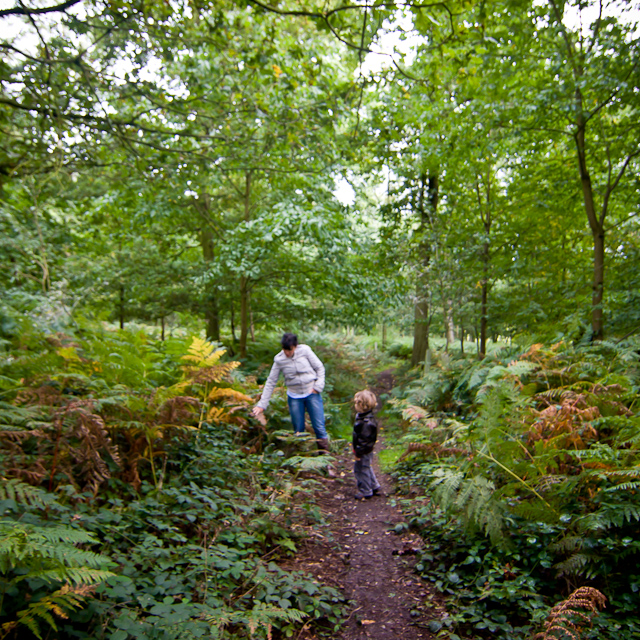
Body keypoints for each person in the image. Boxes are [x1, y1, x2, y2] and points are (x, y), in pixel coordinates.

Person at [251, 333, 330, 451]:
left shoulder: (305, 351)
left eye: (290, 350)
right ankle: (301, 459)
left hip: (311, 392)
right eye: (285, 350)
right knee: (298, 429)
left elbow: (320, 368)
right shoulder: (279, 360)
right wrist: (262, 404)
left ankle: (325, 458)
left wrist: (318, 387)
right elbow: (271, 381)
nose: (287, 353)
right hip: (294, 396)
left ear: (295, 346)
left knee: (319, 427)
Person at [352, 390, 381, 500]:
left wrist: (358, 453)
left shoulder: (366, 422)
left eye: (356, 403)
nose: (355, 406)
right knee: (367, 467)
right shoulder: (362, 417)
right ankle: (374, 486)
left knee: (360, 469)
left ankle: (365, 491)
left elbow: (364, 440)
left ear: (361, 405)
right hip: (365, 449)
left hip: (363, 450)